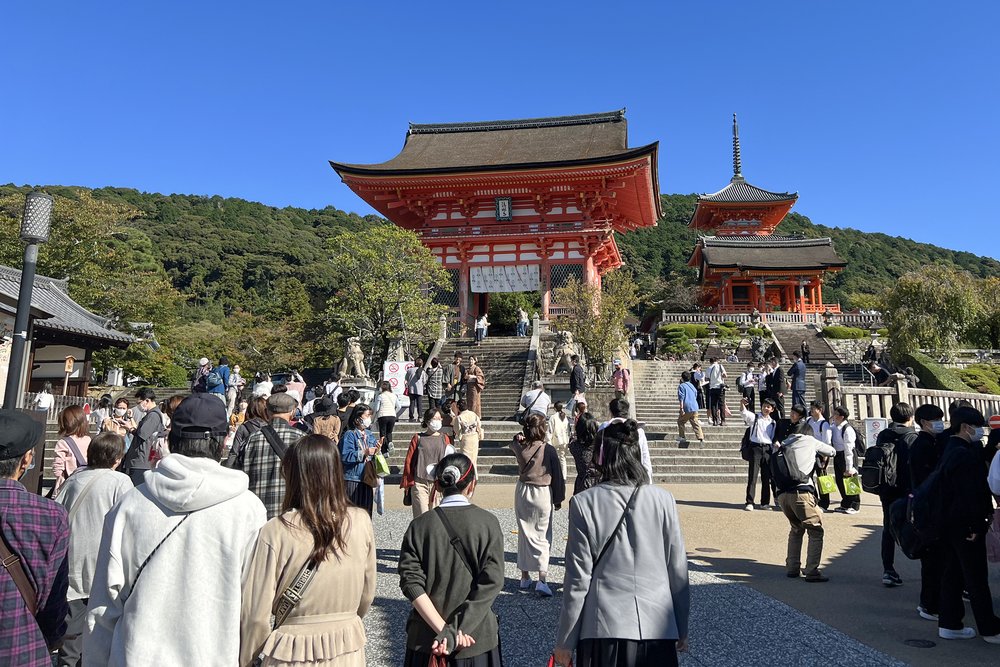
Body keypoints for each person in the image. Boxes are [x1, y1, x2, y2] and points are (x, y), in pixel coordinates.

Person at [84, 393, 267, 666]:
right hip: (214, 654)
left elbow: (103, 604)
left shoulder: (132, 503)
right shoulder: (248, 510)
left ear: (170, 439)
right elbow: (253, 608)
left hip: (135, 655)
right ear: (222, 443)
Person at [554, 420, 689, 667]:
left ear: (602, 456)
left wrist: (565, 640)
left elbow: (577, 579)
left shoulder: (585, 503)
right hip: (659, 625)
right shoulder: (663, 500)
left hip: (605, 626)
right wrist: (681, 624)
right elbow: (678, 570)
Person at [240, 435, 376, 667]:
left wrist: (248, 658)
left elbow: (255, 615)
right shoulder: (361, 521)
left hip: (292, 649)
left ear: (292, 476)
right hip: (347, 644)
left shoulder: (276, 531)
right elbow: (367, 592)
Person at [398, 453, 504, 667]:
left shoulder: (419, 526)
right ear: (472, 483)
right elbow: (491, 583)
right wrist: (455, 631)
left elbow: (410, 582)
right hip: (475, 636)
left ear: (437, 485)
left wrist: (444, 631)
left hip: (426, 638)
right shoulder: (488, 523)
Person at [54, 432, 131, 666]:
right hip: (102, 562)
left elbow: (57, 512)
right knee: (98, 627)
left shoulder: (74, 479)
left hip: (71, 561)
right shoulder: (120, 482)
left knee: (71, 629)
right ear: (117, 458)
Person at [0, 411, 70, 666]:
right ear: (27, 458)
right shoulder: (51, 515)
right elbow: (55, 598)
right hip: (23, 648)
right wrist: (51, 640)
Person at [935, 406, 1000, 642]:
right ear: (965, 427)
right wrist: (974, 525)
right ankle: (989, 628)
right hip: (965, 523)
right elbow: (967, 494)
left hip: (950, 521)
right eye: (978, 426)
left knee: (953, 573)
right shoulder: (963, 453)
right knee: (975, 576)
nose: (980, 431)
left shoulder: (949, 447)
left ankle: (950, 623)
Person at [510, 413, 566, 597]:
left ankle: (525, 576)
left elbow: (513, 443)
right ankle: (542, 579)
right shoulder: (548, 449)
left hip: (523, 490)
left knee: (525, 533)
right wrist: (558, 499)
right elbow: (557, 474)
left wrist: (519, 437)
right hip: (542, 491)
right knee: (543, 534)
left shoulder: (520, 446)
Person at [772, 434, 836, 582]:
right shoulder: (809, 440)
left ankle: (792, 568)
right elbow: (832, 451)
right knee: (815, 530)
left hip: (782, 495)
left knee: (796, 528)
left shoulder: (783, 443)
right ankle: (812, 570)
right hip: (801, 492)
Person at [236, 392, 303, 519]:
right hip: (290, 514)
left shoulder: (251, 439)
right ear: (293, 412)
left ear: (267, 412)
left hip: (256, 513)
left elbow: (239, 473)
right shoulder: (301, 439)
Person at [909, 403, 946, 622]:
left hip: (928, 506)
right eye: (937, 420)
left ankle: (932, 601)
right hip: (928, 508)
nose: (940, 424)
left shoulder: (933, 441)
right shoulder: (921, 445)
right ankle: (929, 604)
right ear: (924, 423)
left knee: (935, 560)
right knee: (932, 560)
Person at [875, 402, 917, 588]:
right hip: (908, 489)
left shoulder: (884, 435)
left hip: (887, 488)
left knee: (888, 527)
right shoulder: (913, 437)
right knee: (915, 524)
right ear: (910, 417)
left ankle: (888, 569)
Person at [401, 408, 455, 517]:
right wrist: (408, 482)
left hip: (438, 483)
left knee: (436, 517)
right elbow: (409, 460)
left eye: (439, 418)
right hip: (420, 481)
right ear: (427, 420)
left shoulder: (445, 438)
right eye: (434, 418)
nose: (437, 421)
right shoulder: (418, 438)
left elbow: (449, 459)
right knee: (422, 516)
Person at [340, 403, 379, 516]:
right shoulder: (350, 434)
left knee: (366, 513)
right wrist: (364, 452)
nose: (369, 419)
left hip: (367, 477)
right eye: (367, 416)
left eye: (370, 416)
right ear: (357, 419)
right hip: (353, 478)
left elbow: (373, 453)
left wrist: (378, 450)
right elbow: (345, 456)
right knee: (352, 512)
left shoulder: (369, 434)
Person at [602, 399, 654, 483]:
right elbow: (645, 457)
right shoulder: (638, 430)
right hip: (636, 475)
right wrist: (648, 481)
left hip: (611, 475)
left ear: (611, 412)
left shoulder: (605, 428)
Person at [741, 397, 777, 511]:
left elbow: (773, 437)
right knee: (753, 476)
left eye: (768, 407)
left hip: (767, 449)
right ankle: (750, 501)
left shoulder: (773, 422)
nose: (766, 408)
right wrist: (742, 404)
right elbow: (745, 414)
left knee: (766, 478)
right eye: (764, 406)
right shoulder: (756, 417)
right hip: (755, 447)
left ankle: (765, 502)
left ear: (772, 409)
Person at [122, 387, 162, 486]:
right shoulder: (150, 415)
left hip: (142, 461)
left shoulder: (153, 415)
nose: (138, 406)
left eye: (139, 402)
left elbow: (142, 434)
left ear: (147, 401)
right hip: (140, 459)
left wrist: (130, 428)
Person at [51, 405, 92, 498]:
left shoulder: (63, 443)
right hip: (86, 485)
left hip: (69, 485)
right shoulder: (88, 439)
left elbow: (58, 469)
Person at [804, 401, 834, 512]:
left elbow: (827, 441)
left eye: (813, 409)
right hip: (809, 452)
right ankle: (814, 499)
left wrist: (825, 457)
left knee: (822, 477)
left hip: (821, 453)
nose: (811, 411)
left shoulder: (824, 424)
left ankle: (825, 502)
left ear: (819, 410)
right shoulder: (808, 421)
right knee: (809, 476)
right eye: (811, 408)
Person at [830, 406, 861, 514]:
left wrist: (849, 466)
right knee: (840, 480)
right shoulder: (833, 426)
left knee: (850, 479)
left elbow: (849, 448)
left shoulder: (847, 429)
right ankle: (845, 503)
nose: (833, 416)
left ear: (841, 417)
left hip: (848, 455)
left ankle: (855, 504)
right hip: (837, 455)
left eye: (835, 414)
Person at [570, 408, 601, 495]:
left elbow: (572, 441)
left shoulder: (574, 446)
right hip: (600, 483)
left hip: (582, 485)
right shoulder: (601, 444)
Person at [676, 371, 705, 447]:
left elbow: (681, 398)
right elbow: (695, 394)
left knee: (680, 421)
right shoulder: (692, 386)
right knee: (695, 423)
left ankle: (682, 436)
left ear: (682, 378)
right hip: (695, 407)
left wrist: (681, 408)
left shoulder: (682, 386)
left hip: (687, 407)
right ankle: (701, 438)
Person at [454, 399, 484, 466]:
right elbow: (479, 424)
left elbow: (456, 429)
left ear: (458, 407)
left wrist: (460, 433)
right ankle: (474, 475)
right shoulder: (473, 414)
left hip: (466, 438)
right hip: (474, 437)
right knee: (473, 459)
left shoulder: (459, 417)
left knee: (465, 459)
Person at [547, 402, 571, 480]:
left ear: (554, 408)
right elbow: (568, 429)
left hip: (556, 440)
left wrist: (548, 441)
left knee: (555, 459)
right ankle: (563, 476)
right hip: (564, 440)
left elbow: (550, 430)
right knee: (563, 458)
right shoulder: (565, 417)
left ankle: (556, 475)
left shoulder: (553, 417)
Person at [374, 380, 399, 453]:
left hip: (383, 415)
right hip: (392, 416)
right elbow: (399, 406)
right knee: (389, 432)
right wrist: (394, 412)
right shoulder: (394, 395)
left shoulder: (380, 396)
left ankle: (384, 451)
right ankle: (390, 442)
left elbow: (377, 408)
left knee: (383, 433)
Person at [706, 357, 728, 426]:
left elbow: (706, 378)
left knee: (713, 405)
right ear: (717, 361)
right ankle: (723, 420)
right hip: (720, 387)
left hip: (712, 387)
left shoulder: (708, 368)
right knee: (721, 404)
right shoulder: (720, 366)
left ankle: (715, 420)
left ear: (710, 361)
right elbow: (725, 375)